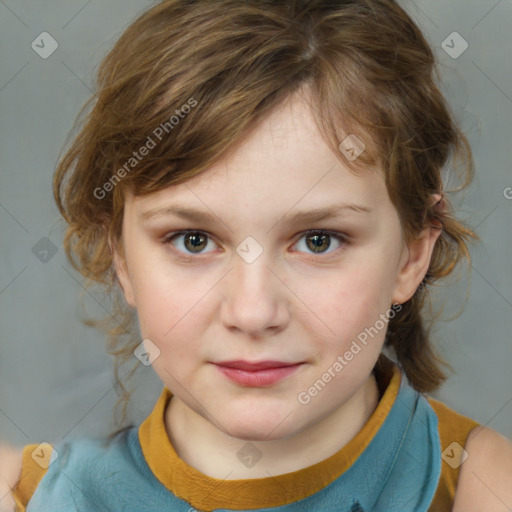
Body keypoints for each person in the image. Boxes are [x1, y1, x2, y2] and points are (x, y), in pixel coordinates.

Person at [2, 0, 511, 510]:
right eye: (193, 240)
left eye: (318, 240)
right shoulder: (31, 495)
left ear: (412, 255)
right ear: (121, 256)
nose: (252, 312)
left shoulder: (483, 489)